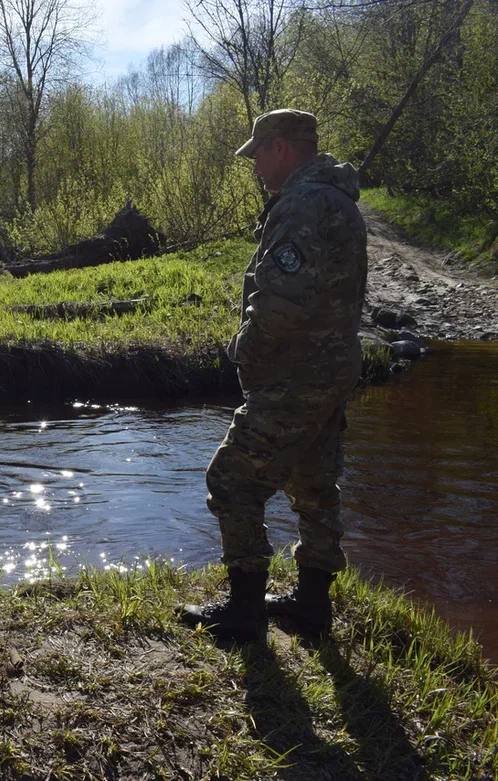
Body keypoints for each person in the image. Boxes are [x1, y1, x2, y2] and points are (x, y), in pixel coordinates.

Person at [180, 109, 368, 642]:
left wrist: (246, 351)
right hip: (330, 371)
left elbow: (281, 303)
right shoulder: (336, 202)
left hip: (294, 374)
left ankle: (244, 610)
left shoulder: (304, 206)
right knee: (313, 483)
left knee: (232, 481)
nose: (256, 166)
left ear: (281, 148)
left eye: (258, 154)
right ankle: (311, 605)